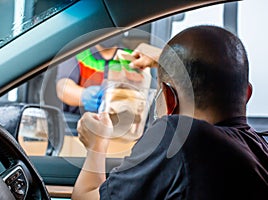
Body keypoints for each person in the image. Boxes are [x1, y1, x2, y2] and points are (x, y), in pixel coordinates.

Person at [72, 25, 268, 200]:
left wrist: (96, 144)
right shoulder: (259, 149)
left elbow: (85, 197)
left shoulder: (179, 137)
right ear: (247, 94)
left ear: (168, 97)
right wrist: (167, 61)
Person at [56, 34, 128, 114]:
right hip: (77, 121)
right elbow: (63, 87)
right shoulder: (77, 52)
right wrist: (85, 95)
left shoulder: (129, 58)